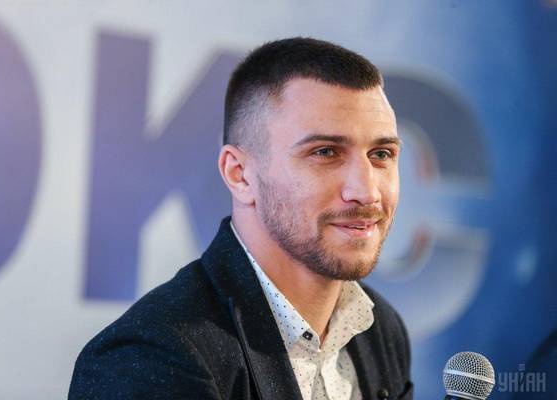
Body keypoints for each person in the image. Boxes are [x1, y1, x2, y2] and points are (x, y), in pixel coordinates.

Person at [69, 37, 413, 400]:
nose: (367, 191)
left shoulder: (381, 330)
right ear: (239, 175)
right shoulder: (148, 359)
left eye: (381, 154)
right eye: (326, 152)